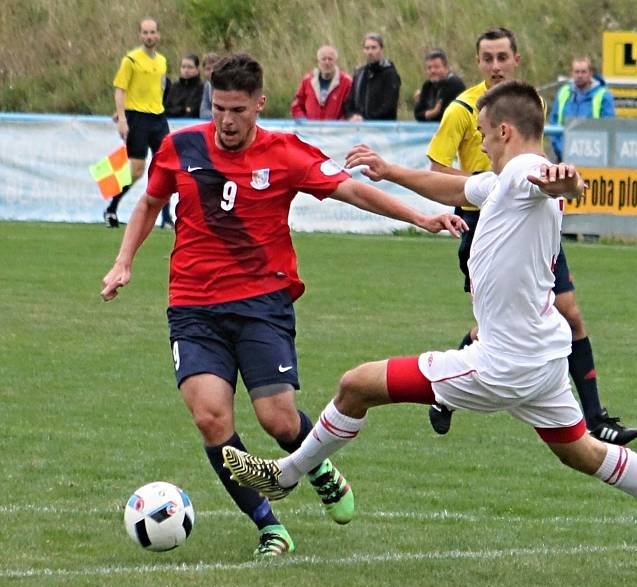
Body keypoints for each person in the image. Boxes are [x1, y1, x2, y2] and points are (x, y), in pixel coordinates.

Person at [221, 81, 637, 575]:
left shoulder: (526, 171)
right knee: (584, 453)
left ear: (505, 131)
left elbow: (559, 179)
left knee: (356, 385)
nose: (481, 145)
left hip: (502, 364)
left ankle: (285, 475)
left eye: (484, 135)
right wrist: (389, 170)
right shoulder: (504, 180)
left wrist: (568, 181)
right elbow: (456, 186)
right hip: (540, 355)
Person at [100, 53, 465, 557]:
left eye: (239, 110)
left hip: (261, 304)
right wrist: (124, 262)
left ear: (260, 104)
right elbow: (148, 203)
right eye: (220, 108)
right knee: (211, 419)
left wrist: (422, 218)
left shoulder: (286, 152)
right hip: (192, 306)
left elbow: (351, 190)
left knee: (278, 420)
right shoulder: (179, 147)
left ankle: (316, 464)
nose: (227, 121)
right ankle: (268, 525)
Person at [426, 27, 637, 444]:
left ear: (516, 60)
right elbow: (437, 172)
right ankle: (446, 388)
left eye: (502, 57)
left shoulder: (529, 104)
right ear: (478, 63)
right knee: (489, 330)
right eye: (487, 58)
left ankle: (596, 418)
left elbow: (543, 168)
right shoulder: (461, 109)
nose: (495, 65)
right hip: (488, 228)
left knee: (570, 312)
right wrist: (493, 185)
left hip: (535, 221)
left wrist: (557, 183)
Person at [106, 17, 174, 230]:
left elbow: (157, 89)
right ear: (139, 35)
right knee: (136, 170)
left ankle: (166, 218)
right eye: (145, 32)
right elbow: (120, 89)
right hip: (137, 119)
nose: (149, 36)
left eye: (152, 32)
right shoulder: (131, 60)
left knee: (167, 167)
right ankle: (112, 207)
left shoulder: (162, 61)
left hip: (158, 118)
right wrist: (122, 116)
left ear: (158, 35)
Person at [549, 56, 615, 162]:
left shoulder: (604, 96)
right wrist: (562, 150)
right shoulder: (563, 93)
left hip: (593, 157)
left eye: (583, 72)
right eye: (577, 72)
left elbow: (609, 127)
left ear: (590, 73)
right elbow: (554, 122)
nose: (580, 75)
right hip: (563, 156)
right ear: (572, 73)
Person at [344, 33, 401, 121]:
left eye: (374, 48)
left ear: (381, 49)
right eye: (367, 48)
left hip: (383, 128)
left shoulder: (390, 73)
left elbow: (389, 106)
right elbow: (350, 102)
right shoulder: (359, 73)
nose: (370, 52)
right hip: (360, 128)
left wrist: (367, 119)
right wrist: (352, 116)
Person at [290, 45, 352, 120]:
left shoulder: (346, 82)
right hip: (310, 129)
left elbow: (350, 109)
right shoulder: (307, 80)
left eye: (330, 59)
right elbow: (297, 105)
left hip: (336, 130)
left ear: (336, 61)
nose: (327, 62)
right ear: (318, 61)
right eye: (323, 59)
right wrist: (302, 120)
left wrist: (338, 125)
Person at [413, 49, 466, 122]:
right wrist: (432, 113)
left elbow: (440, 116)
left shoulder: (454, 83)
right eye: (429, 68)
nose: (432, 71)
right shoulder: (428, 85)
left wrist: (428, 113)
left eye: (436, 67)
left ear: (446, 68)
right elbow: (417, 114)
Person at [164, 53, 204, 118]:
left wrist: (177, 110)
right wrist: (183, 109)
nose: (186, 70)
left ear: (197, 69)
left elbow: (194, 110)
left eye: (190, 67)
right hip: (172, 124)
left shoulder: (202, 88)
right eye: (183, 67)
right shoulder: (174, 87)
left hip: (193, 124)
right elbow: (166, 109)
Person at [199, 52, 221, 120]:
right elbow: (203, 113)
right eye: (208, 69)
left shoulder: (229, 86)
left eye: (215, 68)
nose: (212, 72)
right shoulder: (208, 86)